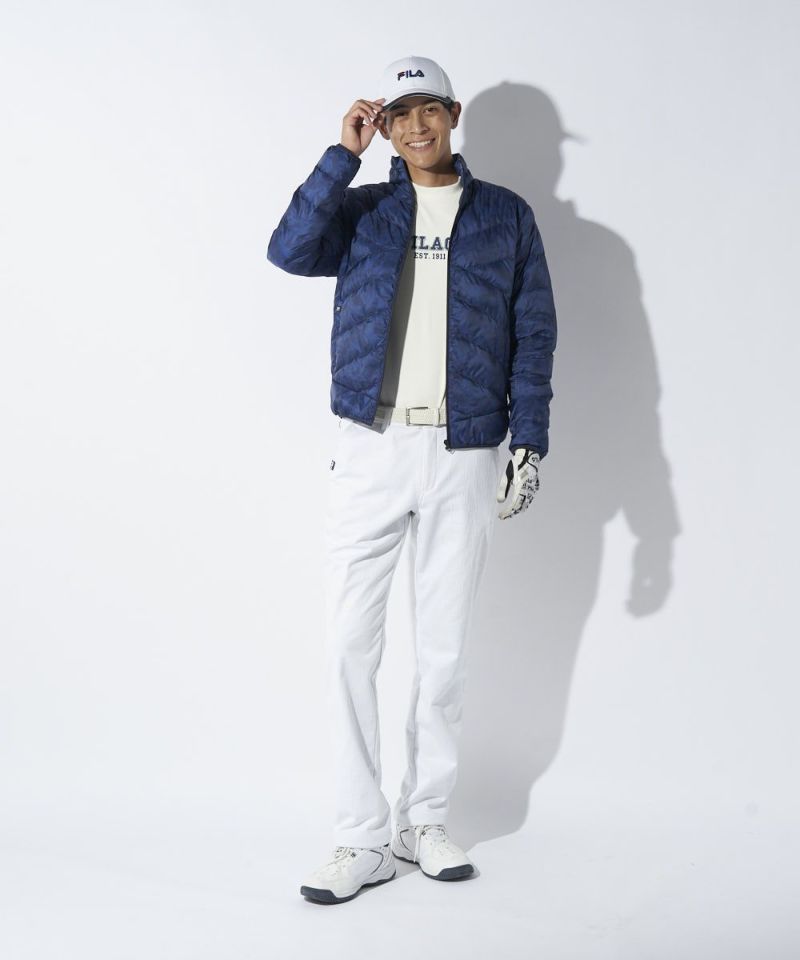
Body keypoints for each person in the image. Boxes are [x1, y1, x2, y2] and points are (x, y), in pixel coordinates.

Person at [267, 55, 557, 904]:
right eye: (400, 114)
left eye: (429, 109)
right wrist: (341, 156)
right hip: (371, 445)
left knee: (444, 650)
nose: (416, 126)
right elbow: (288, 250)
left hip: (466, 449)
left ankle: (422, 820)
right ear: (385, 126)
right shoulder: (363, 211)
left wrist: (529, 443)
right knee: (349, 645)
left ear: (454, 115)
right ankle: (360, 838)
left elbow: (534, 332)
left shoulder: (506, 216)